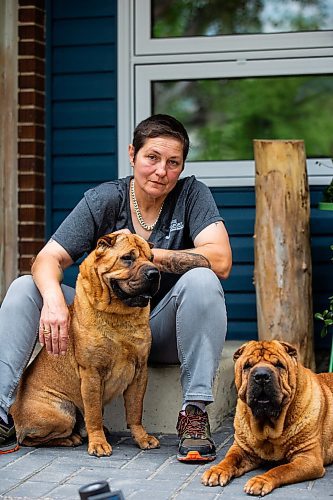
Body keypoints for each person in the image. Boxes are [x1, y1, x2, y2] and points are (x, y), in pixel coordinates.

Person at [0, 114, 232, 462]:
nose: (160, 171)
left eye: (173, 163)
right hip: (97, 326)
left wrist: (146, 255)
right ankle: (2, 409)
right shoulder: (105, 199)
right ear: (132, 154)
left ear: (182, 167)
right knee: (24, 288)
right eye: (152, 158)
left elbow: (222, 260)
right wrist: (53, 301)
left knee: (203, 279)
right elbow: (47, 258)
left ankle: (194, 413)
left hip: (161, 327)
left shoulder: (191, 196)